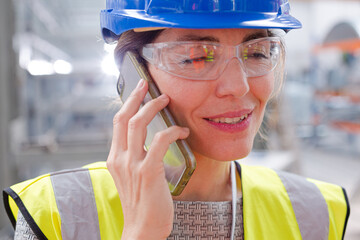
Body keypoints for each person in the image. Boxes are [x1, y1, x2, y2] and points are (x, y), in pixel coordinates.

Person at [3, 0, 350, 239]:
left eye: (258, 52)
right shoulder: (57, 215)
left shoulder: (316, 213)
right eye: (196, 57)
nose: (238, 86)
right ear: (134, 72)